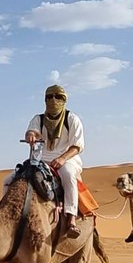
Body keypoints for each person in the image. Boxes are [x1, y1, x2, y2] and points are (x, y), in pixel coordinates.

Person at [22, 84, 85, 238]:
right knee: (11, 179)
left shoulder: (72, 119)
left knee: (69, 176)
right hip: (41, 159)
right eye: (49, 97)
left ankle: (71, 218)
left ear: (64, 100)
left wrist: (63, 158)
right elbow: (32, 130)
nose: (53, 100)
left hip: (67, 159)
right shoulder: (38, 119)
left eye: (58, 97)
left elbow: (77, 146)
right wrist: (30, 135)